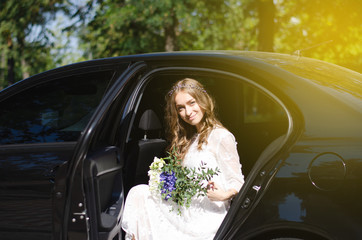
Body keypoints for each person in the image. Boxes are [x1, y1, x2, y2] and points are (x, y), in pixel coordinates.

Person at [121, 78, 245, 240]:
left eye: (192, 103)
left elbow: (238, 182)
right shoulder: (191, 138)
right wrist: (164, 182)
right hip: (187, 209)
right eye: (181, 108)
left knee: (139, 194)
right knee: (139, 193)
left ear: (203, 100)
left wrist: (223, 195)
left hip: (208, 215)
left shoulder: (221, 136)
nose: (188, 112)